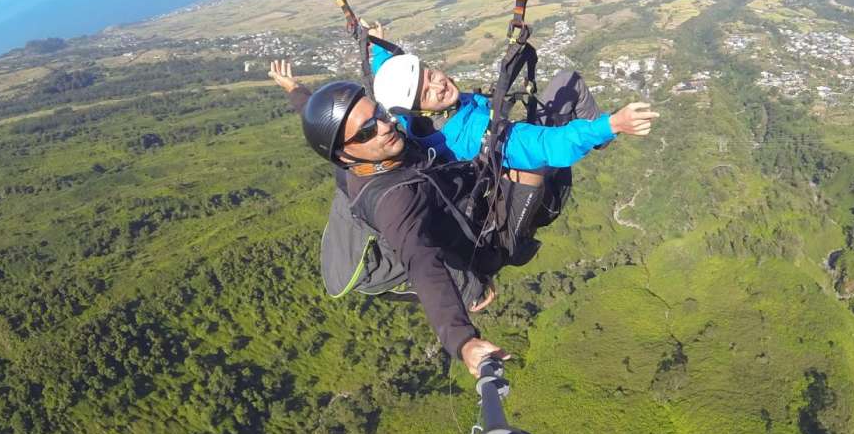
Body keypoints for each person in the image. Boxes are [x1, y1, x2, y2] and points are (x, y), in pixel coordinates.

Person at [271, 68, 509, 377]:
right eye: (368, 130)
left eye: (379, 113)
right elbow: (422, 264)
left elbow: (312, 113)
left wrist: (293, 87)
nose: (387, 126)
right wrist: (463, 341)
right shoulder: (394, 202)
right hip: (387, 261)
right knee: (469, 277)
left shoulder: (350, 147)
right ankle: (473, 292)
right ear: (344, 156)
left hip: (391, 225)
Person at [363, 26, 658, 253]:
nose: (439, 84)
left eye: (430, 74)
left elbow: (393, 89)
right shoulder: (477, 135)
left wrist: (375, 47)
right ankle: (601, 143)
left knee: (562, 89)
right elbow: (546, 144)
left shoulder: (411, 123)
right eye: (427, 92)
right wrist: (611, 125)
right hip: (537, 196)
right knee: (570, 82)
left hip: (499, 180)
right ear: (420, 107)